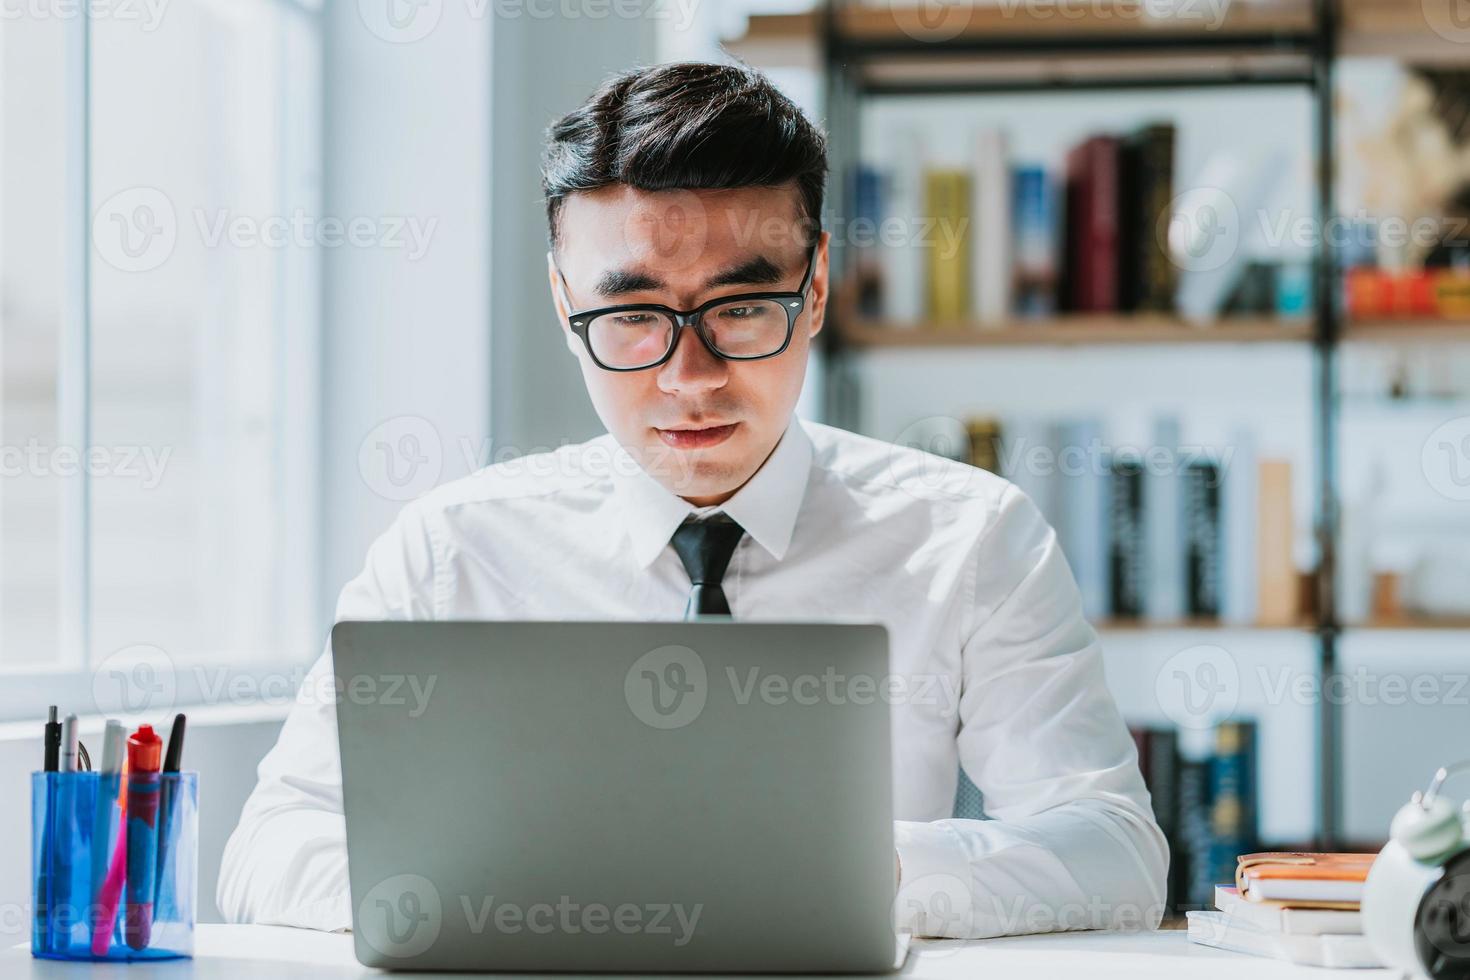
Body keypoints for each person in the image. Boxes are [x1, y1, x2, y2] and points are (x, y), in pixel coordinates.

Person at [218, 60, 1167, 939]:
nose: (691, 378)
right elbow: (268, 852)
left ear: (819, 287)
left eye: (742, 309)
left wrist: (847, 872)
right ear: (564, 305)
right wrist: (552, 893)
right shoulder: (450, 550)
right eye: (632, 317)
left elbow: (1115, 854)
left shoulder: (969, 537)